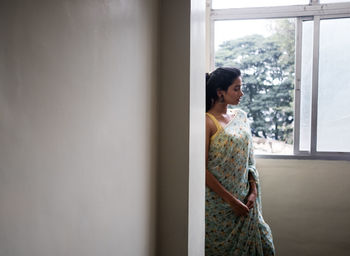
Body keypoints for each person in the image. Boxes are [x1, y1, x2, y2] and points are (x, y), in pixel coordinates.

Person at [205, 67, 275, 255]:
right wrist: (232, 202)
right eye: (236, 88)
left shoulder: (241, 116)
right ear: (220, 92)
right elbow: (201, 170)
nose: (241, 93)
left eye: (241, 88)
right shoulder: (207, 122)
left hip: (247, 201)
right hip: (218, 206)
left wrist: (253, 191)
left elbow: (249, 160)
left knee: (266, 247)